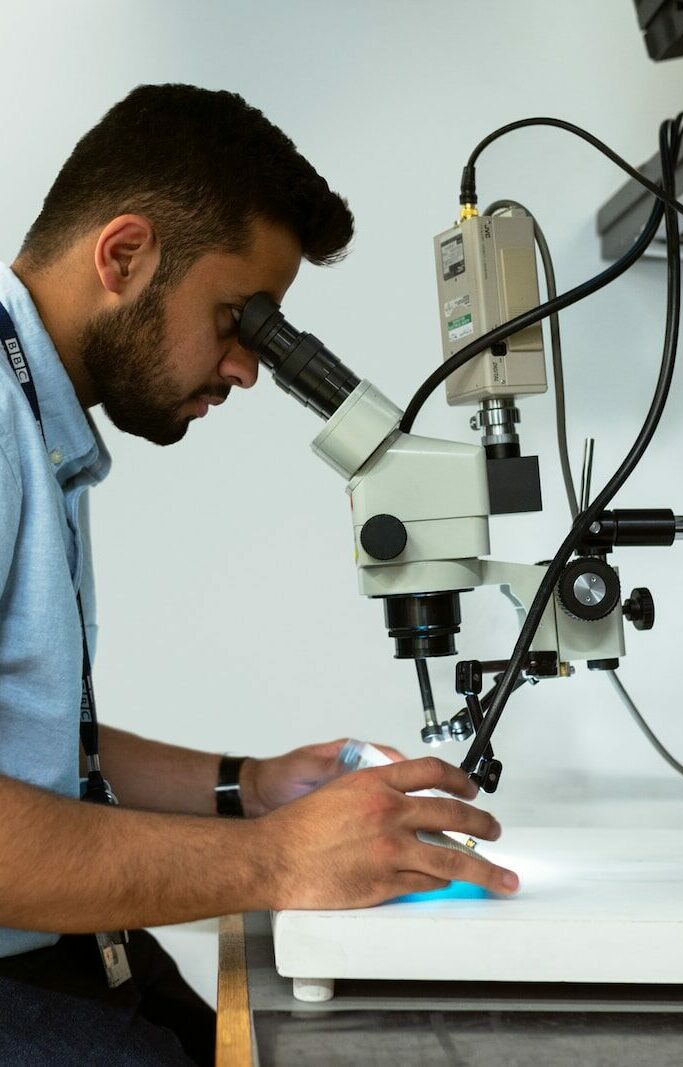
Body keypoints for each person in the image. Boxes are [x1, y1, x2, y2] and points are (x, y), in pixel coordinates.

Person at [0, 84, 519, 1066]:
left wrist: (250, 785)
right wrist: (280, 857)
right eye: (238, 318)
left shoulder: (36, 419)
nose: (246, 368)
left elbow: (26, 732)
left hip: (63, 950)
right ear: (124, 255)